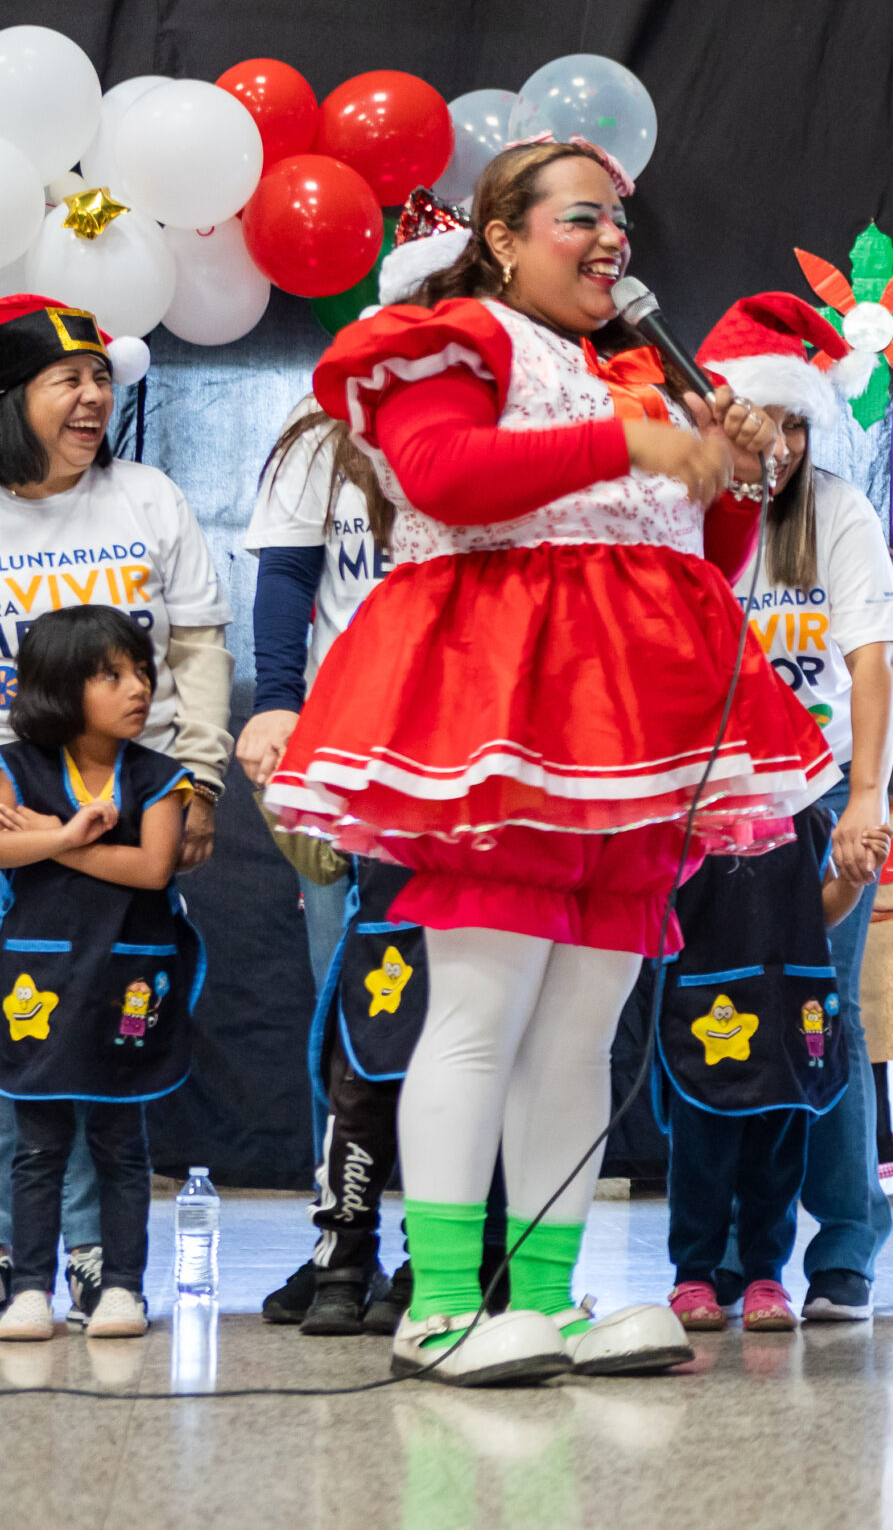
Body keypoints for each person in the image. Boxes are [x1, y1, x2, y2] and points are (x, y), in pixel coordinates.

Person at [262, 139, 834, 1386]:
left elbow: (697, 554)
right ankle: (444, 1305)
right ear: (505, 236)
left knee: (582, 1028)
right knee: (481, 1009)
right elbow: (447, 480)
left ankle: (551, 1295)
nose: (610, 239)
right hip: (498, 711)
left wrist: (730, 471)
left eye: (619, 219)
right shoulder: (459, 338)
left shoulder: (633, 370)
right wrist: (633, 445)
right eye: (581, 216)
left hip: (630, 720)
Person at [241, 191, 467, 1338]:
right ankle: (343, 1240)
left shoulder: (496, 420)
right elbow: (283, 580)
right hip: (349, 755)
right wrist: (278, 712)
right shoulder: (321, 427)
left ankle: (445, 1255)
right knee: (355, 1010)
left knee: (462, 1015)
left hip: (469, 758)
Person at [0, 294, 228, 1328]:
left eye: (101, 376)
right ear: (14, 400)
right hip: (11, 796)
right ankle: (27, 1260)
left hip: (135, 790)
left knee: (104, 1025)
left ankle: (93, 1259)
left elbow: (196, 650)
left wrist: (203, 778)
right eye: (67, 379)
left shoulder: (147, 497)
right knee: (24, 1035)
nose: (93, 396)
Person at [692, 291, 893, 1322]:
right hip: (710, 810)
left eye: (796, 424)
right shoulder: (689, 511)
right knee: (714, 1013)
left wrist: (867, 795)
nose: (776, 443)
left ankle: (846, 1247)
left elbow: (871, 662)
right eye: (759, 420)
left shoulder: (840, 513)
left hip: (817, 796)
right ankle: (727, 1255)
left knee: (830, 1012)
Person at [0, 608, 202, 1344]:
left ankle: (121, 1287)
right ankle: (29, 1289)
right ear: (57, 684)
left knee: (120, 1142)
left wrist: (51, 843)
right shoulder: (14, 765)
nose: (137, 687)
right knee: (39, 1143)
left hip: (128, 984)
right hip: (39, 987)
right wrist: (71, 831)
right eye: (111, 674)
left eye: (141, 670)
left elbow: (151, 868)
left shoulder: (160, 775)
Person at [658, 766, 881, 1334]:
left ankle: (765, 1273)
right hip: (704, 1012)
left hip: (784, 1015)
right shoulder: (686, 815)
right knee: (700, 1152)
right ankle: (695, 1272)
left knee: (776, 1153)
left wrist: (854, 880)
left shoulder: (807, 817)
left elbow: (818, 912)